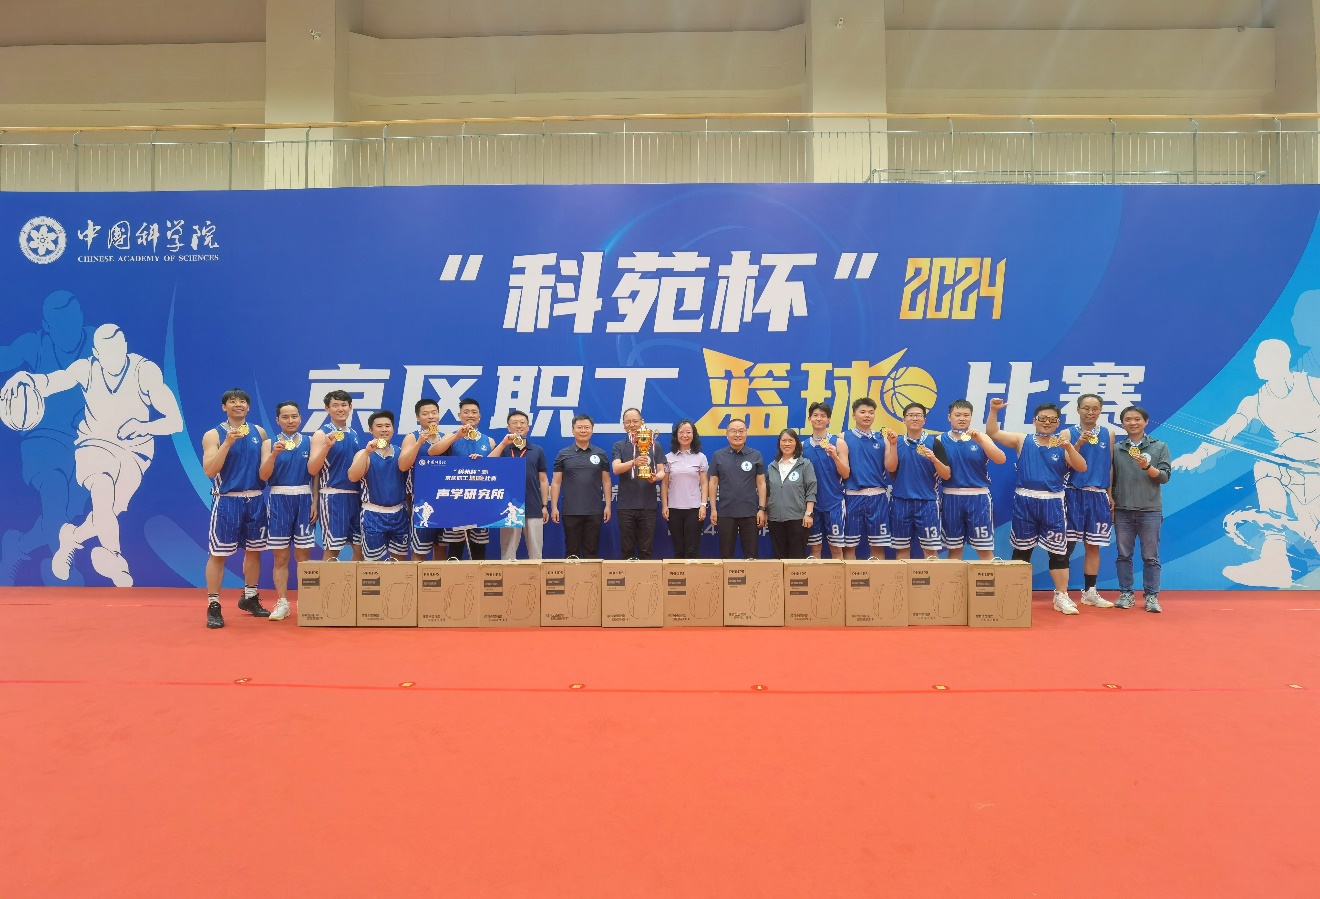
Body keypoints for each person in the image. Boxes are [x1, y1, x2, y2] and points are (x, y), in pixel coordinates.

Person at [3, 323, 184, 588]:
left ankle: (71, 538)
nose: (115, 357)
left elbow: (175, 422)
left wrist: (143, 426)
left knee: (107, 512)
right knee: (102, 490)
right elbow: (53, 382)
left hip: (135, 452)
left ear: (125, 346)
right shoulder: (85, 369)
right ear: (97, 353)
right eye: (107, 352)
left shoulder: (144, 371)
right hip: (94, 443)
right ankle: (114, 558)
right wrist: (27, 380)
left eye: (119, 349)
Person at [0, 290, 96, 585]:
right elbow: (6, 357)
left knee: (66, 516)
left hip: (83, 442)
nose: (69, 329)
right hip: (41, 441)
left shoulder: (97, 341)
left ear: (81, 317)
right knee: (54, 495)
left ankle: (18, 545)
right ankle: (65, 577)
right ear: (47, 325)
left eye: (73, 320)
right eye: (61, 324)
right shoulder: (33, 344)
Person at [987, 398, 1088, 615]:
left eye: (1052, 420)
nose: (1047, 422)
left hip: (1053, 502)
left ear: (1058, 423)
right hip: (1025, 501)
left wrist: (1069, 446)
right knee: (1022, 549)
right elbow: (993, 432)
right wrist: (994, 411)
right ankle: (1015, 594)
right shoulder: (1022, 440)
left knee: (1058, 552)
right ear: (1034, 420)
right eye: (1043, 418)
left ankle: (1061, 596)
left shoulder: (1063, 444)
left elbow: (1081, 467)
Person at [201, 389, 270, 628]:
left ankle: (250, 597)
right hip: (227, 499)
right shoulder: (213, 434)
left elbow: (265, 468)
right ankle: (213, 604)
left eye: (242, 401)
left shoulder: (259, 432)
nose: (238, 404)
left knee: (254, 551)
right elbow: (210, 470)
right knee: (218, 554)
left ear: (248, 407)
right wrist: (227, 443)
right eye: (232, 401)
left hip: (255, 499)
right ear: (224, 407)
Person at [259, 401, 317, 621]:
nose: (290, 421)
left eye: (294, 416)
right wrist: (273, 454)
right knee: (280, 557)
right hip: (278, 499)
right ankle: (282, 602)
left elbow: (316, 475)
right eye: (285, 417)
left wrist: (315, 501)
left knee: (303, 557)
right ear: (278, 420)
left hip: (304, 498)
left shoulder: (310, 442)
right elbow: (263, 475)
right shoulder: (269, 443)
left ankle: (306, 601)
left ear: (300, 418)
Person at [1113, 405, 1171, 612]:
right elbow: (1111, 479)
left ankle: (1152, 597)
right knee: (1123, 555)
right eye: (1128, 419)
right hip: (1122, 510)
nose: (1133, 423)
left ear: (1146, 422)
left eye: (1137, 419)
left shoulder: (1159, 446)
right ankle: (1126, 594)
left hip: (1150, 510)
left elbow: (1164, 477)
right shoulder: (1116, 449)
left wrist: (1147, 467)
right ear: (1122, 423)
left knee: (1150, 557)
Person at [1062, 393, 1116, 607]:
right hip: (1073, 493)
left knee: (1093, 546)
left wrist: (1109, 493)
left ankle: (1090, 592)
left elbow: (1109, 465)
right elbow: (1064, 463)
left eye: (1095, 408)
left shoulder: (1108, 433)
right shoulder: (1067, 433)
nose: (1090, 412)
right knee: (1066, 546)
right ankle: (1062, 593)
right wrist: (1078, 443)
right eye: (1086, 408)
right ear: (1078, 409)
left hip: (1098, 495)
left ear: (1100, 411)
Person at [939, 398, 1006, 561]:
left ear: (971, 417)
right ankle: (954, 579)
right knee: (954, 549)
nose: (962, 418)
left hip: (979, 497)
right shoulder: (939, 440)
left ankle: (988, 579)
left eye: (966, 415)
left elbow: (1001, 459)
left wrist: (981, 440)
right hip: (951, 497)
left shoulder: (981, 437)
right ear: (949, 417)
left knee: (984, 549)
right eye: (958, 415)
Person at [885, 402, 951, 560]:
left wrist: (934, 459)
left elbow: (947, 475)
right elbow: (891, 468)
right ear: (904, 419)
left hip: (927, 503)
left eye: (918, 415)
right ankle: (902, 578)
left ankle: (934, 578)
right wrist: (893, 445)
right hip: (900, 502)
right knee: (902, 550)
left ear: (924, 420)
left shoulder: (934, 443)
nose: (914, 418)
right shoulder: (895, 441)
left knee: (930, 551)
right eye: (911, 415)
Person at [307, 389, 364, 560]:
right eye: (335, 405)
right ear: (327, 409)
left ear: (350, 407)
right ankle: (326, 579)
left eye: (344, 405)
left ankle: (351, 579)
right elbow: (312, 469)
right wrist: (327, 447)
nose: (340, 409)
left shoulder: (353, 433)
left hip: (355, 497)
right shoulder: (321, 434)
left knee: (360, 548)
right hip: (333, 496)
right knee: (333, 549)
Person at [437, 397, 494, 560]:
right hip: (455, 502)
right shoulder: (451, 437)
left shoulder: (489, 441)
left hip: (481, 502)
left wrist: (483, 463)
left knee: (479, 550)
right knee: (454, 551)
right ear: (459, 416)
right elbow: (433, 452)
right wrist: (456, 436)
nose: (470, 415)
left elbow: (495, 471)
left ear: (479, 416)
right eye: (466, 412)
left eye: (474, 412)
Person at [348, 410, 410, 562]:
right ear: (371, 430)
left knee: (399, 562)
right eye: (379, 426)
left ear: (393, 429)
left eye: (387, 426)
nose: (384, 429)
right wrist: (366, 453)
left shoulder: (401, 453)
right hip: (373, 514)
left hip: (399, 514)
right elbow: (353, 476)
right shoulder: (363, 453)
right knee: (372, 565)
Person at [490, 409, 550, 560]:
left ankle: (536, 575)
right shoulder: (503, 449)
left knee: (536, 553)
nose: (518, 426)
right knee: (508, 553)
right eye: (514, 423)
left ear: (528, 427)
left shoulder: (537, 450)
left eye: (522, 423)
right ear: (508, 427)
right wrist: (503, 443)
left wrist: (544, 505)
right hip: (509, 508)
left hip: (533, 506)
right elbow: (488, 464)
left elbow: (543, 480)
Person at [550, 413, 612, 558]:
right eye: (579, 427)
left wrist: (608, 506)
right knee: (572, 552)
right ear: (573, 430)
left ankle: (590, 574)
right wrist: (554, 507)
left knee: (592, 552)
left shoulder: (601, 454)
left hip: (594, 511)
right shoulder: (563, 454)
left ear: (592, 430)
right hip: (570, 511)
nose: (583, 431)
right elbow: (556, 482)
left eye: (587, 427)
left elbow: (606, 481)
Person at [840, 397, 893, 560]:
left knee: (878, 547)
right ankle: (850, 577)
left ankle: (878, 577)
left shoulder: (883, 438)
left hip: (878, 496)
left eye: (871, 412)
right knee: (849, 547)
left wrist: (893, 444)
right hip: (852, 496)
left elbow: (891, 467)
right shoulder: (842, 438)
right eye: (862, 412)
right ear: (853, 415)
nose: (867, 415)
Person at [611, 407, 666, 559]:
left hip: (648, 505)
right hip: (625, 506)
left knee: (646, 551)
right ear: (623, 425)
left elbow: (662, 471)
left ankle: (645, 576)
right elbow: (616, 469)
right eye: (628, 422)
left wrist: (655, 477)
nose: (632, 425)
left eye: (635, 421)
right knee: (627, 549)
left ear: (642, 422)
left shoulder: (655, 445)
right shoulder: (619, 446)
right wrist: (633, 462)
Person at [708, 419, 767, 559]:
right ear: (727, 434)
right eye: (733, 431)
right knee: (726, 555)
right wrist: (713, 509)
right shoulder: (718, 455)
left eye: (741, 431)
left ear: (746, 433)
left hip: (750, 513)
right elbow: (713, 483)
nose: (737, 434)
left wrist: (762, 509)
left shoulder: (756, 455)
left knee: (751, 555)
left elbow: (761, 483)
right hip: (726, 512)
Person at [399, 397, 447, 560]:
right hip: (422, 501)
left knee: (441, 549)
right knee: (420, 551)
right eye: (425, 413)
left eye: (434, 412)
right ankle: (416, 577)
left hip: (444, 499)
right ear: (418, 417)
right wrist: (419, 443)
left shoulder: (446, 438)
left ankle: (439, 578)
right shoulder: (412, 438)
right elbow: (403, 466)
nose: (431, 416)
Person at [801, 401, 850, 559]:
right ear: (809, 419)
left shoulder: (839, 443)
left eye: (823, 416)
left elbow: (846, 474)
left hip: (834, 503)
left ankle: (837, 577)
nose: (819, 418)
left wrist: (835, 456)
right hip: (812, 505)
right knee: (814, 549)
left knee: (836, 549)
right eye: (815, 415)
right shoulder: (802, 446)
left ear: (828, 419)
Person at [765, 428, 816, 559]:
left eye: (790, 440)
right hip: (775, 519)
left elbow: (811, 490)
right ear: (779, 444)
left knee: (796, 560)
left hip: (798, 519)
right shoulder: (772, 466)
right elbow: (768, 492)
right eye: (784, 441)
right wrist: (765, 511)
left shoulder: (805, 464)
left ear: (796, 443)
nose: (787, 444)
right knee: (779, 559)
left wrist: (809, 513)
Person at [661, 419, 708, 559]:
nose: (685, 435)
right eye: (681, 432)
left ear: (694, 435)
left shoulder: (700, 457)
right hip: (673, 509)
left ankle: (693, 574)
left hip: (694, 509)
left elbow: (704, 483)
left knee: (692, 550)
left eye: (688, 432)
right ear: (676, 435)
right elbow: (664, 484)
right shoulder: (668, 458)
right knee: (679, 549)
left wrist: (703, 505)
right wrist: (665, 506)